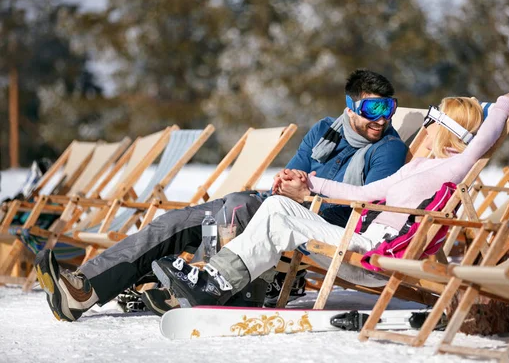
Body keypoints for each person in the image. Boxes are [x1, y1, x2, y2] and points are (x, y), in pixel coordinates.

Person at [34, 69, 409, 322]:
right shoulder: (325, 129)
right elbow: (292, 174)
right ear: (350, 107)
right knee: (175, 221)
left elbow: (366, 205)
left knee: (234, 208)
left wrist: (306, 193)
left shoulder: (387, 149)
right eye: (372, 108)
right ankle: (84, 288)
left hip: (318, 223)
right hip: (282, 204)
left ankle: (207, 291)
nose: (382, 118)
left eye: (388, 108)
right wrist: (291, 185)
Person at [147, 93, 509, 308]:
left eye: (433, 119)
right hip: (363, 241)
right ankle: (217, 278)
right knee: (278, 206)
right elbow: (363, 194)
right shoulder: (421, 165)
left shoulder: (455, 166)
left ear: (445, 128)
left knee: (279, 213)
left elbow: (490, 131)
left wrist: (503, 102)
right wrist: (312, 182)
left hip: (376, 256)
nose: (427, 124)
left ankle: (217, 282)